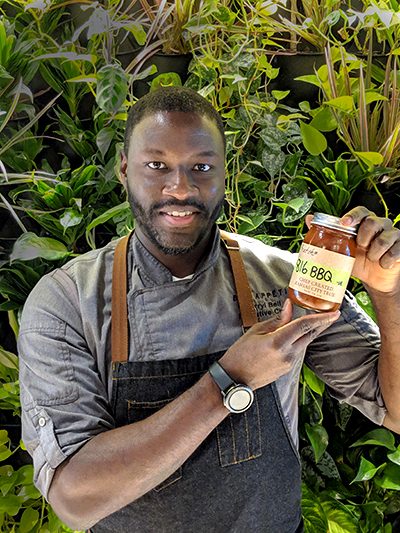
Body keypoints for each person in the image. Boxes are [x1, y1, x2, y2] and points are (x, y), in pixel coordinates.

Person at [18, 86, 400, 533]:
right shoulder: (66, 302)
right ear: (124, 169)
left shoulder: (284, 281)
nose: (180, 188)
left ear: (225, 173)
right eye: (156, 165)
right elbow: (74, 499)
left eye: (201, 167)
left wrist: (389, 293)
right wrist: (230, 378)